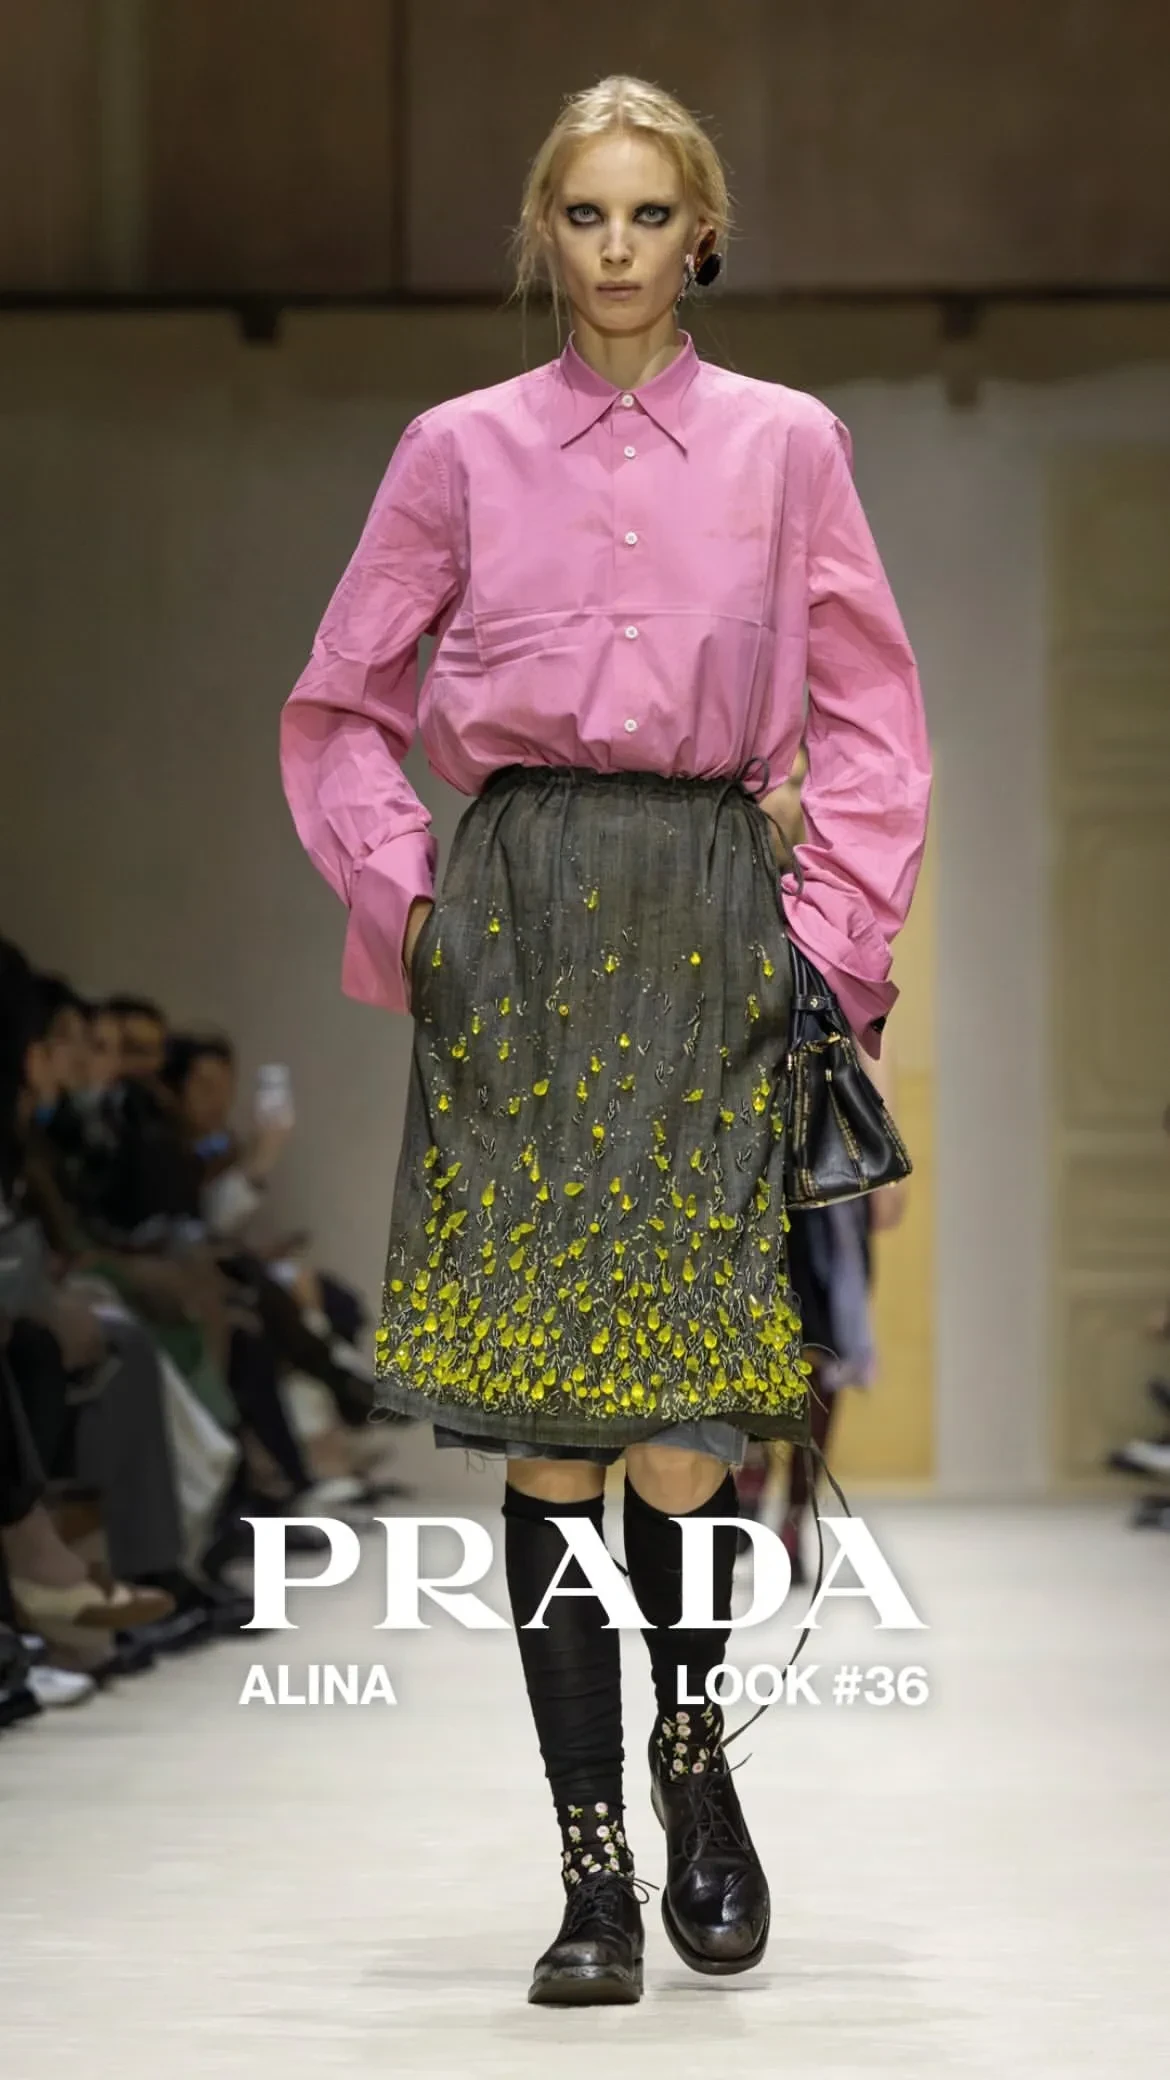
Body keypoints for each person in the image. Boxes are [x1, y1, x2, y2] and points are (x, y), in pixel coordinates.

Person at [281, 75, 931, 2007]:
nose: (619, 247)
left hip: (710, 923)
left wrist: (826, 947)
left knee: (681, 1422)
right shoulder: (456, 451)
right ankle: (590, 1876)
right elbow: (339, 705)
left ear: (700, 233)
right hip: (521, 923)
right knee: (551, 1428)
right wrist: (415, 913)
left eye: (652, 214)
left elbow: (872, 718)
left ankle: (693, 1755)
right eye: (586, 214)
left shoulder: (788, 445)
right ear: (542, 235)